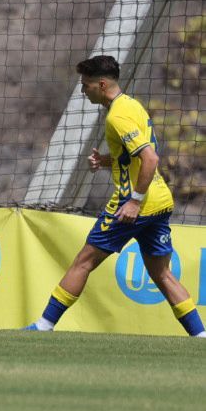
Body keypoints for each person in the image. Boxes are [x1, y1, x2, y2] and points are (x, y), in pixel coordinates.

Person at [24, 55, 204, 336]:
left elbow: (150, 159)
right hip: (160, 202)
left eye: (86, 85)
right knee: (162, 274)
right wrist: (107, 161)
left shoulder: (117, 117)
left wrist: (133, 201)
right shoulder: (131, 105)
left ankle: (44, 325)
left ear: (102, 83)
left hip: (134, 205)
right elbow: (134, 155)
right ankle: (200, 335)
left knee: (83, 261)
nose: (83, 91)